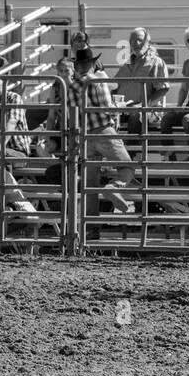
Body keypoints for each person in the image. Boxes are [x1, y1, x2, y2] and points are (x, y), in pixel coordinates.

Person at [69, 46, 137, 235]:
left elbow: (72, 113)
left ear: (77, 65)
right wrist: (120, 106)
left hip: (85, 135)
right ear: (92, 64)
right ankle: (114, 187)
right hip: (104, 131)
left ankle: (90, 227)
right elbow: (108, 107)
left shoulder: (72, 85)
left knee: (89, 182)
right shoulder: (98, 81)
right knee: (128, 167)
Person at [114, 27, 170, 135]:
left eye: (140, 40)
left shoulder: (156, 62)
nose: (136, 43)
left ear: (147, 43)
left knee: (136, 115)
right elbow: (115, 86)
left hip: (149, 110)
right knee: (107, 116)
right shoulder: (127, 63)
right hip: (125, 108)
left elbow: (162, 90)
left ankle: (132, 151)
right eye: (133, 40)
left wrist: (143, 105)